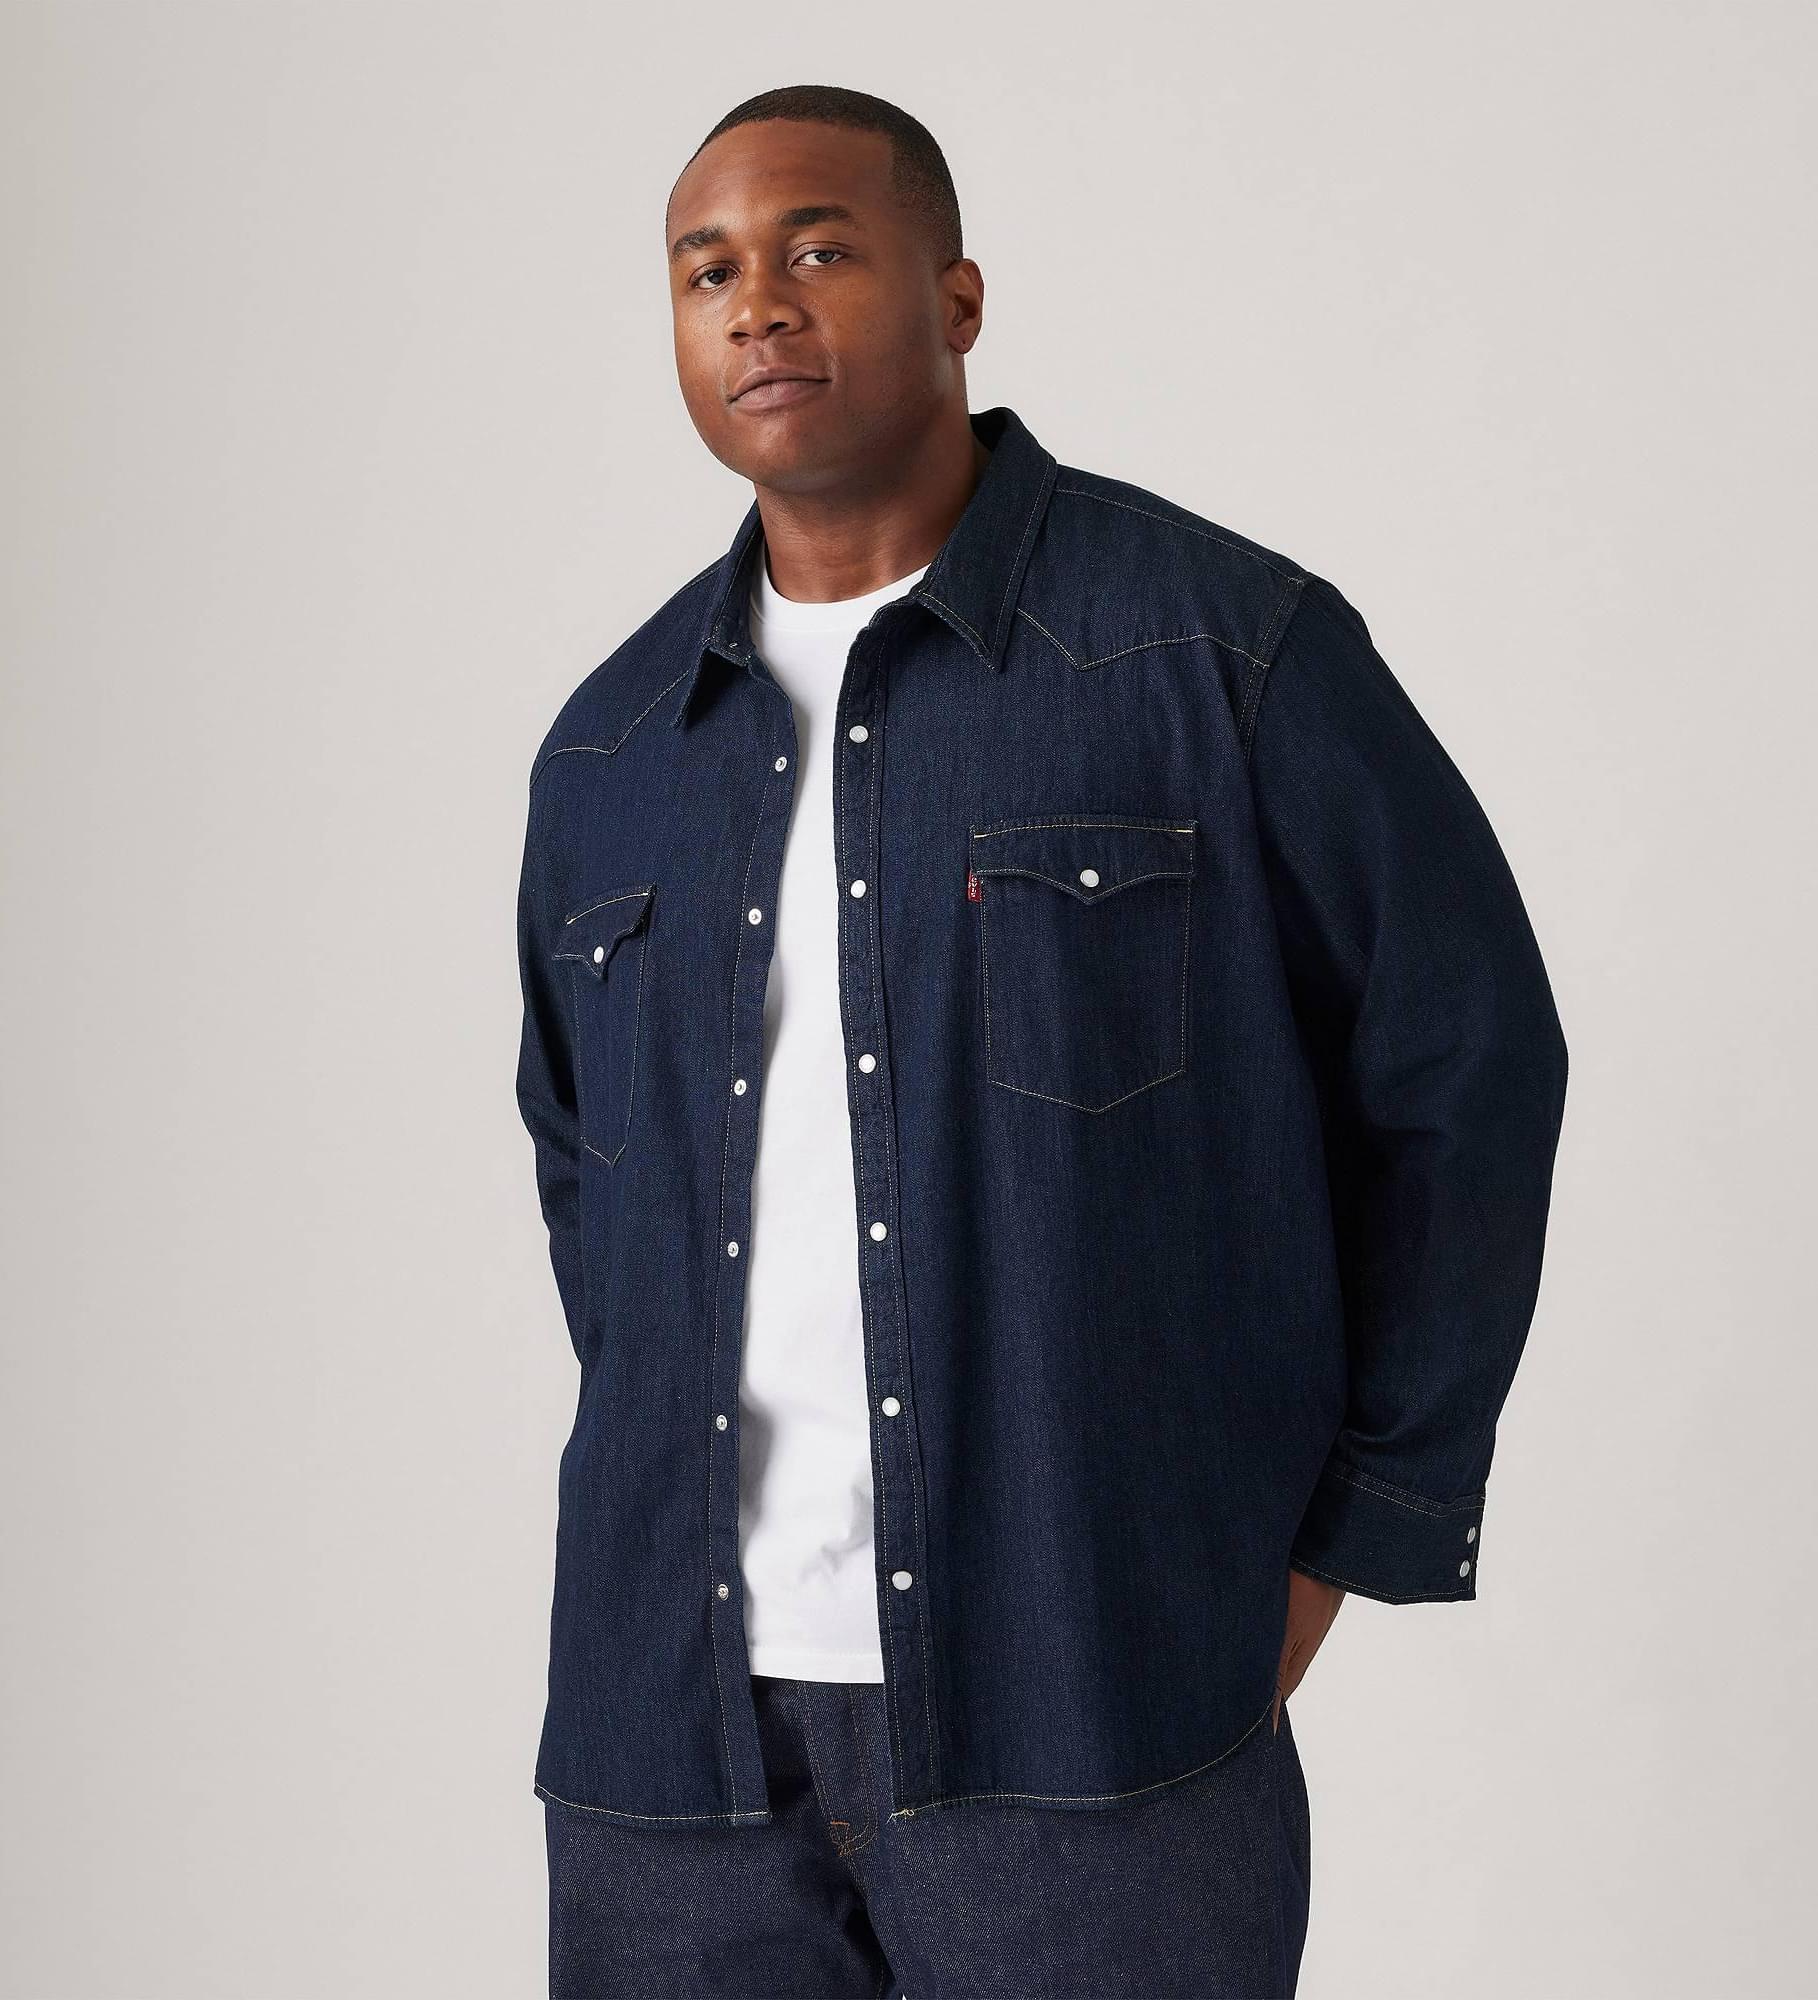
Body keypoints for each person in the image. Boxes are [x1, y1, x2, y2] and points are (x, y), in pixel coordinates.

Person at [514, 81, 1569, 2000]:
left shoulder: (1216, 652)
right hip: (670, 1747)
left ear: (958, 298)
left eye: (817, 248)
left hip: (1095, 1711)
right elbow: (589, 1180)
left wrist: (1349, 1531)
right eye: (706, 272)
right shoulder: (612, 749)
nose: (758, 305)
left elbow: (1465, 1070)